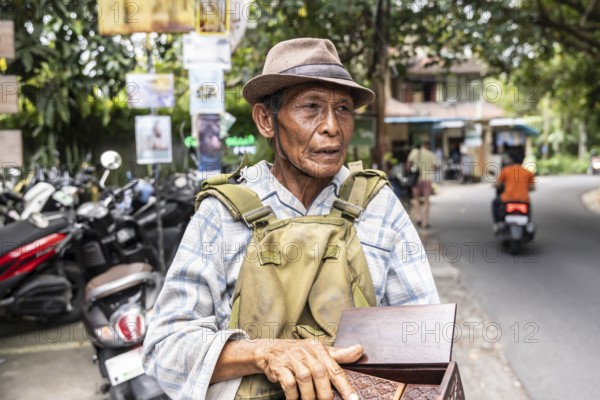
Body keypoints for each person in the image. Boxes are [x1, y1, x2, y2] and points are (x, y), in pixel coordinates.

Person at [143, 38, 439, 400]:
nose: (332, 126)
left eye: (343, 109)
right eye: (311, 107)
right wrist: (266, 353)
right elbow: (165, 347)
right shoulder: (221, 212)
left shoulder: (378, 206)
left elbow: (424, 337)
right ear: (266, 120)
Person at [492, 151, 536, 224]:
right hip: (524, 199)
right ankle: (528, 223)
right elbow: (532, 188)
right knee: (529, 209)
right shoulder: (528, 172)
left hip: (507, 198)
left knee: (495, 203)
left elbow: (497, 184)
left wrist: (497, 185)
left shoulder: (506, 170)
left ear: (511, 160)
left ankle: (497, 223)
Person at [406, 140, 437, 229]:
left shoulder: (415, 152)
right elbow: (434, 167)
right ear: (428, 146)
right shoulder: (431, 154)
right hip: (427, 180)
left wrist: (412, 169)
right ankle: (425, 222)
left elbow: (408, 164)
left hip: (416, 179)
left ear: (422, 145)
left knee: (416, 199)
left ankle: (418, 218)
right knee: (427, 200)